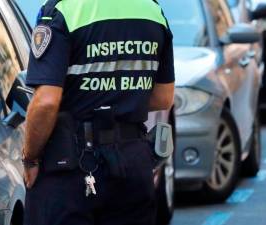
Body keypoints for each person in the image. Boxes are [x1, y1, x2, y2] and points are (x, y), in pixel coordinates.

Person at [22, 0, 175, 224]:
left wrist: (31, 158)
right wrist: (121, 97)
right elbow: (163, 96)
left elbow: (45, 102)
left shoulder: (64, 10)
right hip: (132, 163)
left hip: (71, 166)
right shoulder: (152, 10)